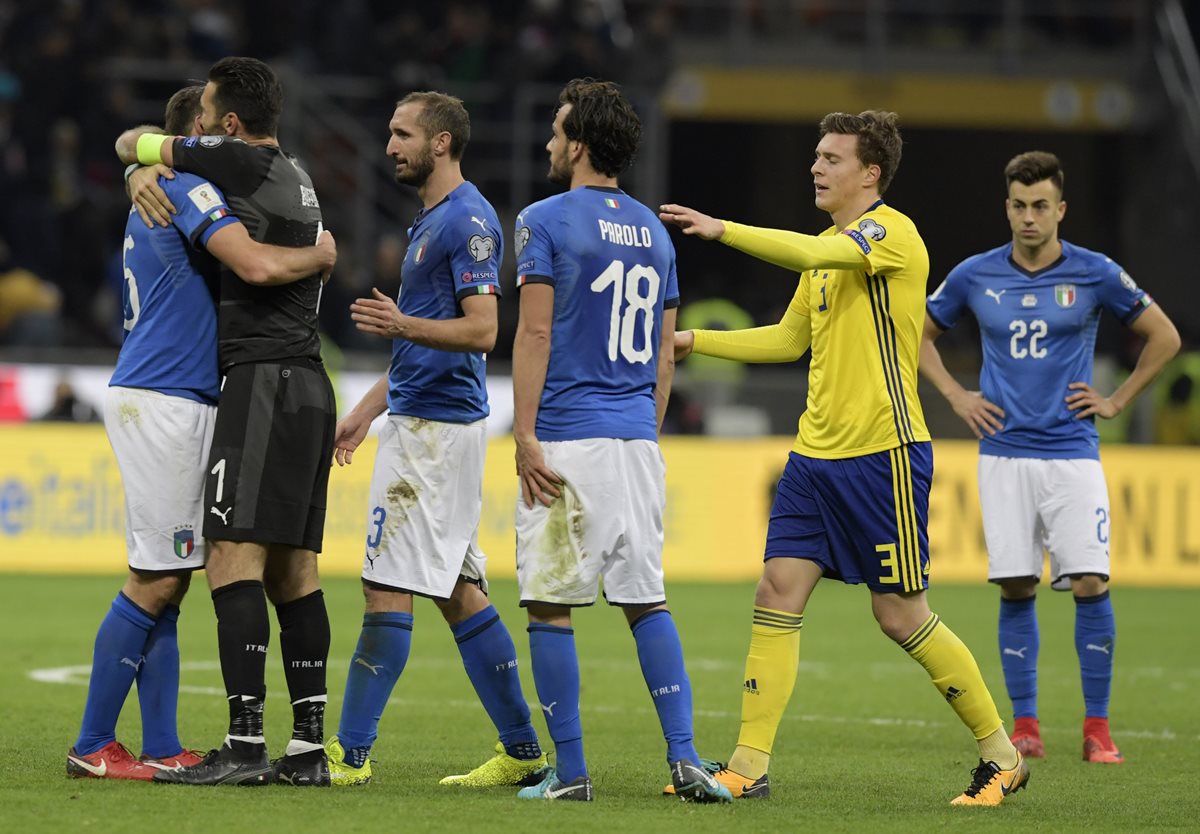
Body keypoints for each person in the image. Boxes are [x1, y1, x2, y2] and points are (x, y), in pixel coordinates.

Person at [659, 110, 1027, 807]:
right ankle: (747, 766)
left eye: (831, 158)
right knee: (777, 590)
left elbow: (809, 256)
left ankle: (1001, 756)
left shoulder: (891, 234)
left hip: (881, 456)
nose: (816, 168)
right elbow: (787, 340)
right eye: (815, 157)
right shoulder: (828, 251)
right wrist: (695, 342)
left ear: (870, 173)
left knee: (900, 615)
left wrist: (722, 228)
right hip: (813, 458)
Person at [68, 85, 335, 782]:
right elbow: (253, 263)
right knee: (156, 577)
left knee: (174, 576)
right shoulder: (186, 187)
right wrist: (321, 257)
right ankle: (94, 743)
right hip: (167, 398)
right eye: (210, 131)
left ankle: (160, 745)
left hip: (171, 392)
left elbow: (135, 150)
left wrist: (134, 166)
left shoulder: (159, 185)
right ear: (197, 134)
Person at [511, 78, 731, 804]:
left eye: (555, 128)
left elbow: (537, 330)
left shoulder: (544, 219)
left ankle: (570, 773)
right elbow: (666, 354)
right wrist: (645, 423)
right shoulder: (655, 231)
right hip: (637, 440)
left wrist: (524, 433)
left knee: (549, 605)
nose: (547, 140)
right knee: (647, 600)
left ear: (578, 145)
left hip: (570, 438)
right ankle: (686, 756)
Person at [920, 150, 1181, 763]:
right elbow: (919, 337)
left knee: (1090, 580)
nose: (1029, 217)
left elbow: (1164, 336)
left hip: (1071, 453)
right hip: (1003, 455)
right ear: (1006, 207)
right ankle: (1028, 726)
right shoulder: (975, 275)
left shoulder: (1094, 273)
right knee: (1015, 586)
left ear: (1060, 209)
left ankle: (1097, 730)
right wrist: (958, 397)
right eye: (1019, 205)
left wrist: (1116, 400)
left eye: (1041, 206)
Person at [320, 91, 547, 789]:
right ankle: (522, 751)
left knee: (384, 584)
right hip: (422, 419)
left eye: (401, 134)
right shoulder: (432, 220)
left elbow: (484, 331)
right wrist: (366, 408)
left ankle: (349, 755)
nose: (389, 145)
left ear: (441, 143)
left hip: (436, 433)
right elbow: (420, 336)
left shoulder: (468, 221)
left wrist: (401, 328)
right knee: (457, 589)